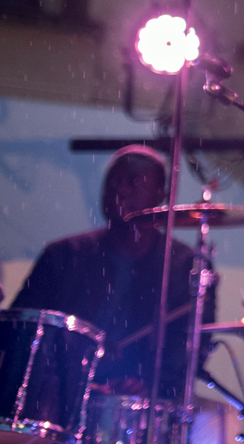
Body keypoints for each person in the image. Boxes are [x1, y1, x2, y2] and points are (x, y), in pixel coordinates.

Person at [12, 145, 212, 398]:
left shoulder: (186, 265)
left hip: (142, 410)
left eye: (133, 181)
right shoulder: (62, 255)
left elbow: (192, 348)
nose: (120, 189)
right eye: (113, 181)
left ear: (160, 195)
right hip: (57, 400)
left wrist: (150, 384)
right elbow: (20, 329)